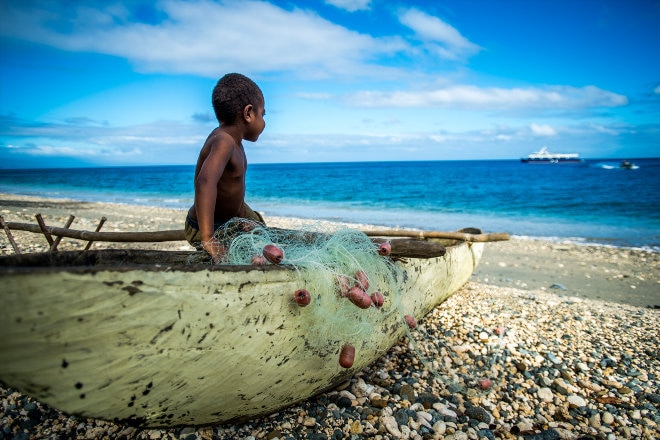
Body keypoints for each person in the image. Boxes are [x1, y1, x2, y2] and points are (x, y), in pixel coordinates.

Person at [185, 73, 266, 262]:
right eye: (262, 114)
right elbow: (205, 182)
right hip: (208, 225)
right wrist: (208, 238)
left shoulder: (237, 143)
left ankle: (243, 222)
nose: (264, 122)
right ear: (248, 113)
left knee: (258, 224)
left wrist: (241, 219)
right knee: (237, 259)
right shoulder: (223, 141)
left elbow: (235, 187)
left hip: (230, 218)